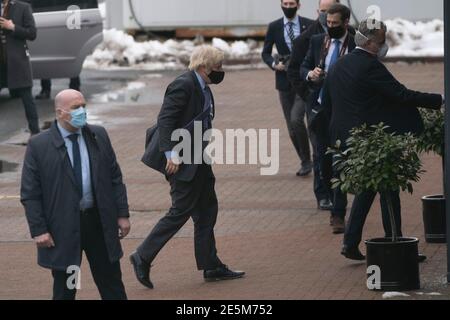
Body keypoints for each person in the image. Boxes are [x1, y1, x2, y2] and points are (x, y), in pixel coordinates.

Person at [321, 19, 444, 260]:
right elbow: (401, 94)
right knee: (389, 189)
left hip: (345, 137)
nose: (383, 46)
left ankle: (351, 242)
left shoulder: (339, 64)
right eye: (380, 41)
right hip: (371, 139)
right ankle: (396, 245)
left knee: (367, 189)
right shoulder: (370, 66)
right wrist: (438, 99)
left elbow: (327, 104)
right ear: (367, 42)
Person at [132, 46, 245, 289]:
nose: (220, 72)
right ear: (204, 68)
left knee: (207, 211)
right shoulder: (183, 84)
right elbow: (166, 120)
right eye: (217, 68)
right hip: (181, 161)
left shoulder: (203, 86)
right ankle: (142, 256)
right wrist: (170, 154)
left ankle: (211, 265)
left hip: (197, 157)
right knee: (180, 212)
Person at [21, 89, 131, 300]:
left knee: (111, 283)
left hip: (98, 223)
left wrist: (122, 213)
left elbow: (115, 177)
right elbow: (30, 193)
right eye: (75, 108)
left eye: (83, 106)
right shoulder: (39, 145)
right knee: (67, 287)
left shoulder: (97, 135)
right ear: (60, 113)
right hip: (64, 228)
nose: (82, 111)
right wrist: (39, 229)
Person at [300, 3, 355, 232]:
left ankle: (338, 213)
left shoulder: (354, 44)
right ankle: (331, 194)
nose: (330, 27)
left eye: (335, 24)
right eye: (328, 23)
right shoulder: (317, 42)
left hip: (344, 112)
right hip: (321, 109)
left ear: (345, 23)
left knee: (339, 160)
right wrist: (310, 74)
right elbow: (303, 66)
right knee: (322, 160)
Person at [262, 0, 314, 177]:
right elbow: (265, 52)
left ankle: (312, 159)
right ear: (281, 4)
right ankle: (305, 160)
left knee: (296, 119)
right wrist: (273, 64)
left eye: (292, 3)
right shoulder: (274, 26)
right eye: (286, 2)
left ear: (298, 5)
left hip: (303, 79)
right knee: (291, 127)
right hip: (284, 81)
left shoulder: (309, 24)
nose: (288, 6)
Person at [0, 0, 40, 136]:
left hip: (17, 60)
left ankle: (35, 132)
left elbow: (32, 33)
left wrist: (13, 27)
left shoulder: (23, 7)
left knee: (27, 97)